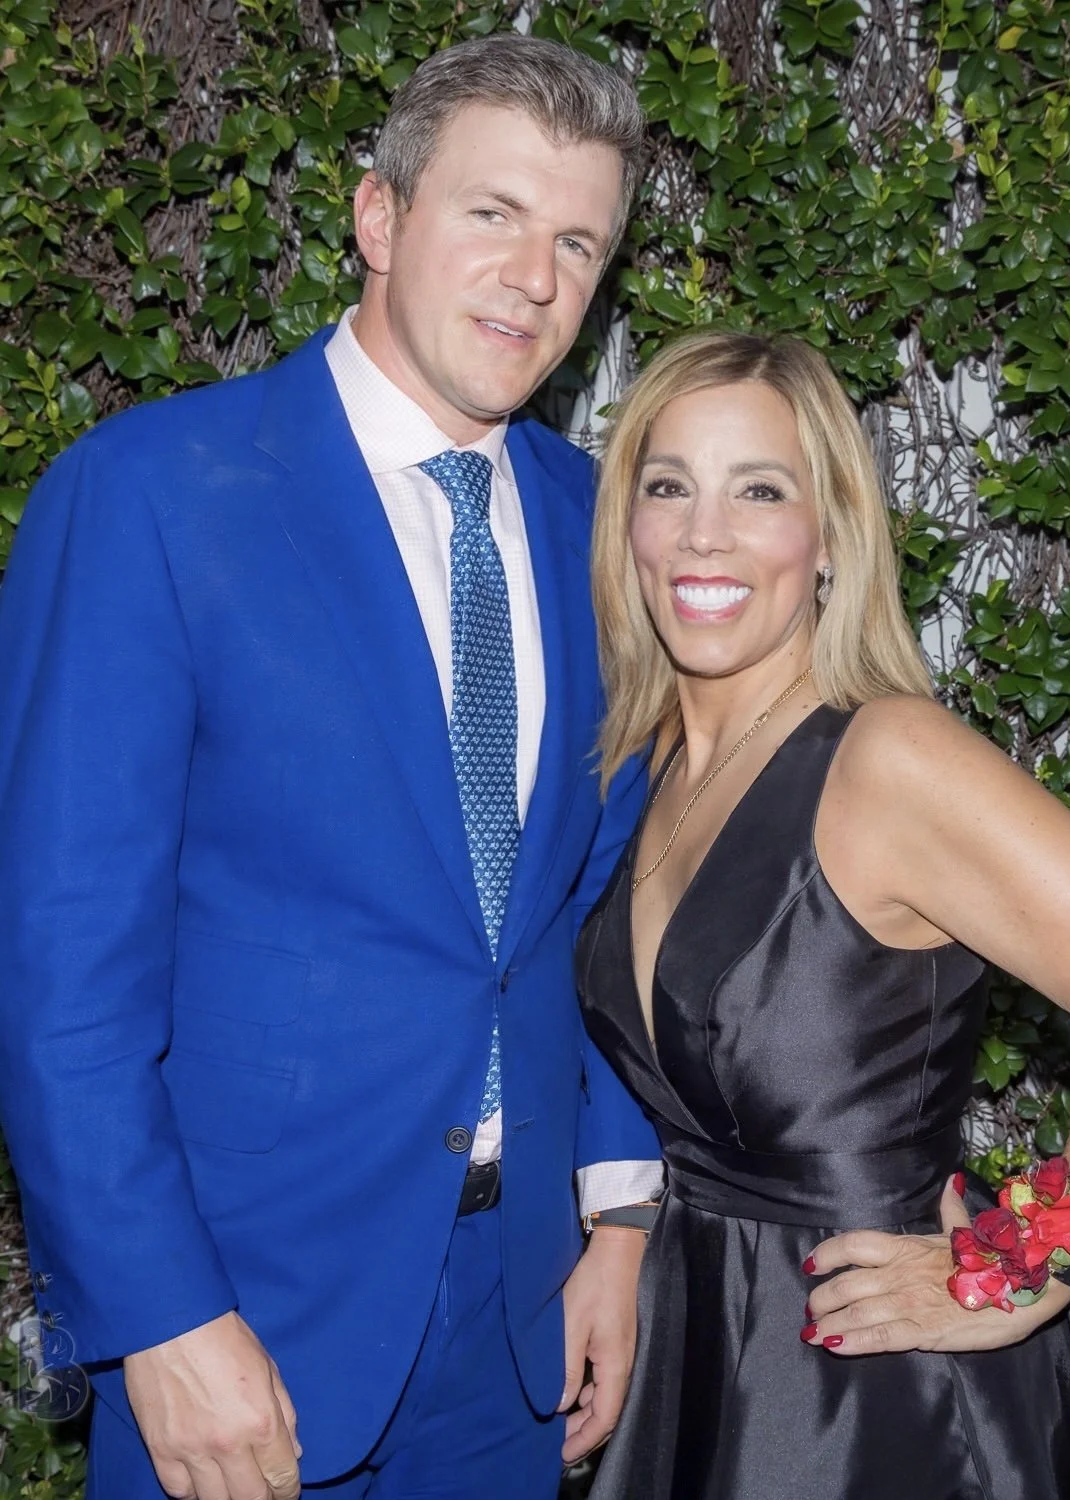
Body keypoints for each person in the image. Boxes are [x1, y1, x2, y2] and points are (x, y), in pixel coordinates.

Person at [0, 35, 666, 1500]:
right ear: (380, 219)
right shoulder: (149, 497)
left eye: (578, 242)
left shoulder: (601, 524)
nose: (535, 277)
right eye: (492, 214)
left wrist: (616, 1217)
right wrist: (160, 1315)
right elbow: (60, 968)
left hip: (517, 1325)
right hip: (244, 1304)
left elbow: (603, 908)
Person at [576, 329, 1070, 1499]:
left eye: (759, 490)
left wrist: (1014, 1275)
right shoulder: (652, 764)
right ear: (628, 528)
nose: (704, 532)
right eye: (669, 487)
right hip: (708, 1351)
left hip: (885, 1398)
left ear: (828, 539)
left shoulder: (888, 756)